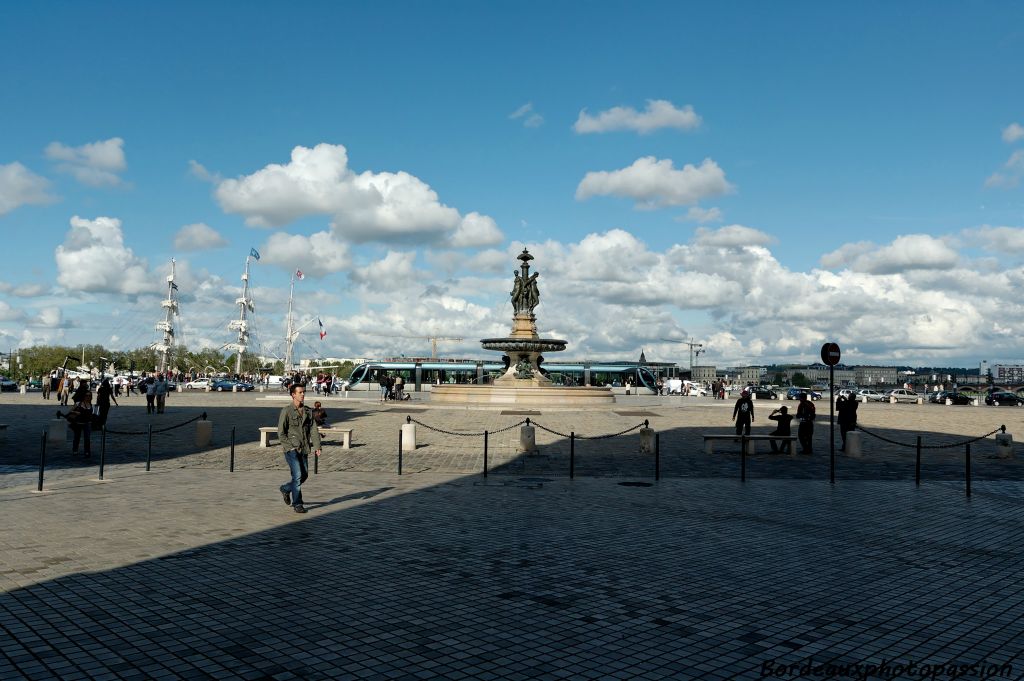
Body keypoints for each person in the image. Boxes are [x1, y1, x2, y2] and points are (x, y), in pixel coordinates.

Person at [277, 384, 322, 514]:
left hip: (304, 448)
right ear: (293, 394)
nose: (303, 394)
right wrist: (289, 447)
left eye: (304, 392)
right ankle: (298, 503)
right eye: (300, 392)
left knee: (304, 475)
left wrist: (317, 446)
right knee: (297, 476)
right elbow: (281, 432)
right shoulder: (286, 411)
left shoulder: (308, 411)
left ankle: (286, 489)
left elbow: (313, 429)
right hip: (291, 449)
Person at [63, 393, 94, 458]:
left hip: (87, 423)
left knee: (87, 438)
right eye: (87, 396)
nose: (89, 397)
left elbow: (91, 415)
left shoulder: (91, 405)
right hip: (78, 423)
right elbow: (70, 411)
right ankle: (75, 450)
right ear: (84, 396)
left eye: (90, 396)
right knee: (77, 437)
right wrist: (76, 412)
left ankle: (87, 451)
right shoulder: (78, 403)